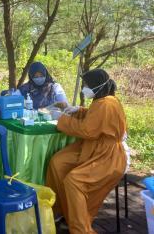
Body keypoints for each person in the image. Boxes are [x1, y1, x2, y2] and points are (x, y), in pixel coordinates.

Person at [46, 69, 129, 234]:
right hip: (92, 147)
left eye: (86, 85)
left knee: (74, 181)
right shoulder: (102, 100)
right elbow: (95, 118)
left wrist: (60, 118)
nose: (84, 88)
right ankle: (63, 209)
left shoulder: (107, 103)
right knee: (58, 162)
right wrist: (78, 111)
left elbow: (88, 130)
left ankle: (80, 228)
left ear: (97, 86)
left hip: (107, 155)